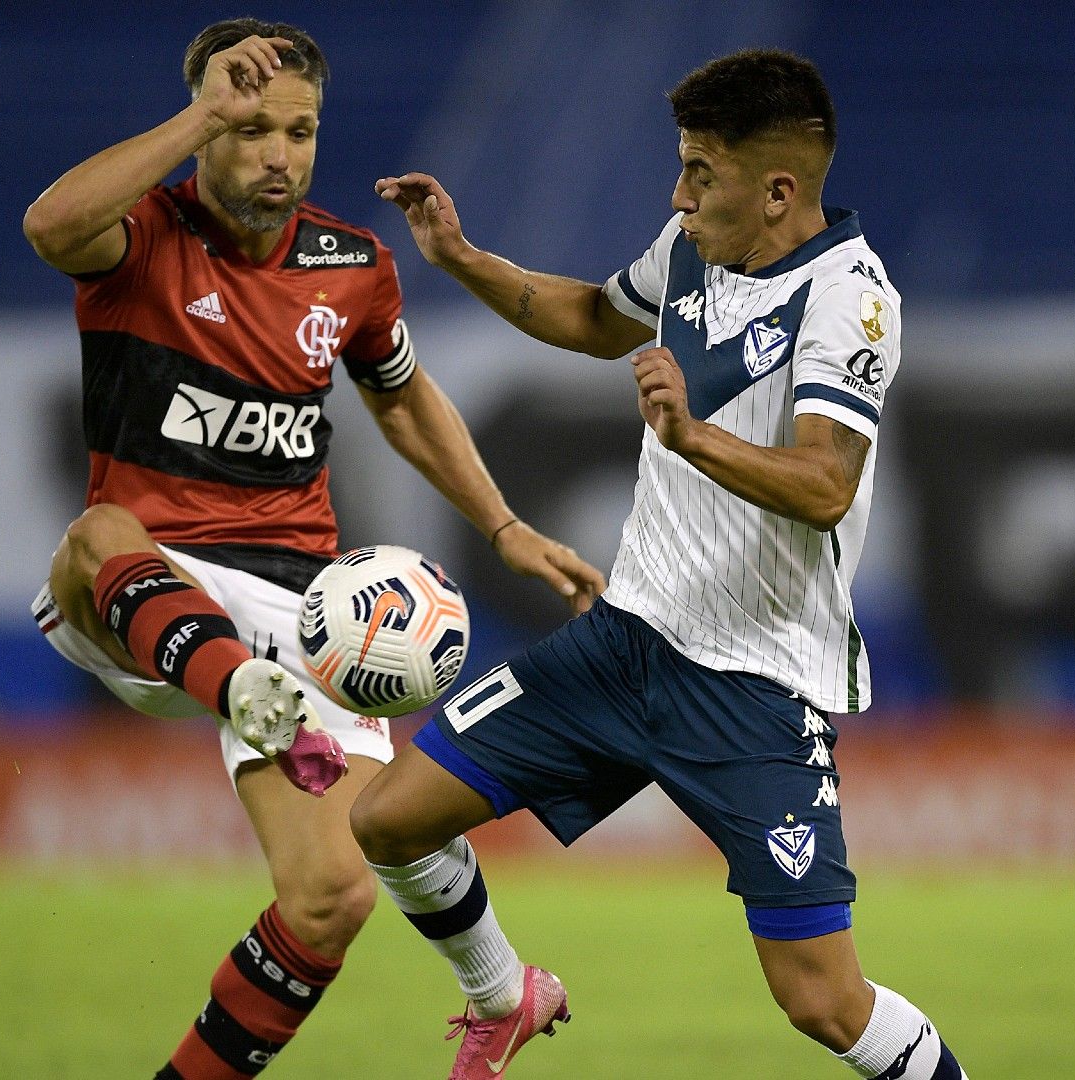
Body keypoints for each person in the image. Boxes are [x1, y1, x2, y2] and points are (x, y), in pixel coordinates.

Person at [351, 49, 968, 1079]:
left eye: (700, 174)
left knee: (822, 1002)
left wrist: (694, 438)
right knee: (389, 819)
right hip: (625, 641)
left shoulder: (850, 299)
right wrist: (461, 257)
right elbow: (595, 318)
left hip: (753, 688)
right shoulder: (691, 247)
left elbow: (824, 484)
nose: (678, 196)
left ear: (778, 191)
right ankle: (503, 997)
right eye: (680, 168)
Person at [19, 19, 605, 1079]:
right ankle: (238, 687)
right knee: (93, 535)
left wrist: (506, 527)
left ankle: (502, 992)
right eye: (249, 130)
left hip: (299, 611)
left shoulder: (353, 267)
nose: (277, 154)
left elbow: (406, 402)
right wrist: (204, 109)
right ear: (204, 132)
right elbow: (52, 223)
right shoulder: (139, 235)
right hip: (148, 585)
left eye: (299, 130)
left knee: (333, 893)